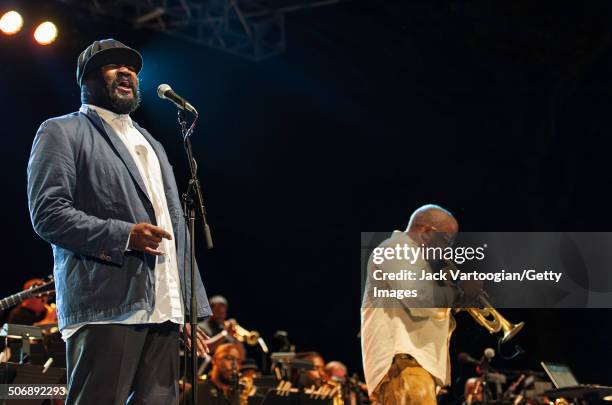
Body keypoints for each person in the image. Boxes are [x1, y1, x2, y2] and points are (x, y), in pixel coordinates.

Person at [27, 38, 212, 404]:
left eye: (130, 67)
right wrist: (124, 235)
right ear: (86, 80)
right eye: (112, 65)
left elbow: (175, 227)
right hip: (107, 304)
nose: (126, 71)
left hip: (164, 309)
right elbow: (48, 213)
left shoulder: (152, 143)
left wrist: (190, 309)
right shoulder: (61, 131)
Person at [360, 204, 482, 405]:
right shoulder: (396, 249)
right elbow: (419, 299)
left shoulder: (415, 260)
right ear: (426, 232)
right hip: (405, 361)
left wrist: (458, 298)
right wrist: (459, 291)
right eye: (446, 240)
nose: (448, 249)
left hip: (413, 363)